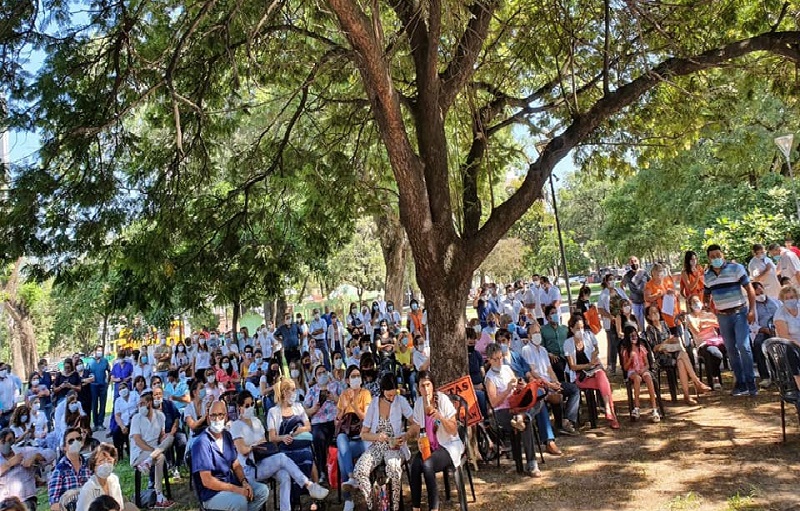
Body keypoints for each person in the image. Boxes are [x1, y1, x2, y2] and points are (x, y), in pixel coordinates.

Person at [229, 391, 328, 511]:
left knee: (285, 475)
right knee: (281, 457)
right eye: (247, 406)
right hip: (249, 468)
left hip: (262, 461)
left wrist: (253, 446)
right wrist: (254, 446)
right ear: (240, 408)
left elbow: (264, 443)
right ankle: (309, 485)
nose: (250, 408)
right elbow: (242, 450)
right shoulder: (236, 426)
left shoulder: (257, 422)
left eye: (252, 404)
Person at [191, 401, 270, 511]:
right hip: (212, 494)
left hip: (231, 483)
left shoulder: (227, 435)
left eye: (220, 415)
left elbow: (236, 464)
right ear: (208, 418)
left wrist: (244, 482)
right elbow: (207, 481)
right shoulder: (201, 443)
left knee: (262, 491)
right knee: (240, 501)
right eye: (213, 415)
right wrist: (235, 489)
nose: (217, 419)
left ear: (226, 416)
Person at [352, 375, 414, 511]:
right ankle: (372, 504)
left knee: (394, 469)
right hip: (377, 445)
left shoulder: (401, 401)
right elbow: (363, 434)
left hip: (394, 445)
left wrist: (406, 435)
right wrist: (377, 436)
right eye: (389, 395)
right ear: (382, 391)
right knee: (359, 471)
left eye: (394, 395)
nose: (392, 398)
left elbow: (415, 424)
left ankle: (395, 506)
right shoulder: (374, 404)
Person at [704, 244, 757, 396]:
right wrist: (707, 305)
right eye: (712, 256)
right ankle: (740, 383)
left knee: (743, 345)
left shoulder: (736, 268)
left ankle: (751, 382)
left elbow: (749, 289)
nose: (716, 258)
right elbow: (706, 293)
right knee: (731, 349)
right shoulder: (707, 275)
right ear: (709, 258)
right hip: (722, 315)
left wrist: (752, 310)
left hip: (740, 312)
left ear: (723, 255)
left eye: (718, 255)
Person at [407, 371, 464, 511]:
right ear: (418, 388)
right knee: (415, 466)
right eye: (422, 386)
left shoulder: (442, 400)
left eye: (428, 385)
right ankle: (416, 508)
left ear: (433, 385)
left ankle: (434, 508)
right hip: (430, 446)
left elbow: (453, 430)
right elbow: (417, 428)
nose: (426, 390)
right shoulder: (419, 403)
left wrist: (440, 417)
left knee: (427, 465)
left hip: (448, 445)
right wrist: (411, 437)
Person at [484, 343, 541, 476]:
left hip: (515, 405)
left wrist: (519, 385)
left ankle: (521, 417)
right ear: (489, 360)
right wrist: (507, 390)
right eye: (495, 359)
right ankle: (532, 463)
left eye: (500, 357)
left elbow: (515, 383)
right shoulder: (489, 378)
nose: (499, 361)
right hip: (502, 412)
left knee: (537, 402)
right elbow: (494, 402)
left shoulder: (507, 369)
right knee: (526, 422)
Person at [520, 323, 579, 435]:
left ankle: (567, 420)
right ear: (529, 336)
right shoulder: (526, 350)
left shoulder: (543, 350)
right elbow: (533, 372)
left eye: (538, 332)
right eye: (534, 333)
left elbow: (550, 369)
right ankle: (557, 425)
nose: (537, 335)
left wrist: (556, 382)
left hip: (549, 382)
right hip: (539, 385)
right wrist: (549, 385)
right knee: (552, 394)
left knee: (574, 389)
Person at [644, 305, 710, 404]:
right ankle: (697, 382)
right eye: (652, 313)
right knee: (683, 355)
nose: (655, 314)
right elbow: (654, 347)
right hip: (662, 356)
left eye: (656, 311)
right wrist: (666, 342)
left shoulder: (664, 324)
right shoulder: (650, 329)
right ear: (648, 317)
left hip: (673, 352)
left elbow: (671, 339)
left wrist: (672, 341)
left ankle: (687, 395)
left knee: (681, 362)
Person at [563, 316, 619, 429]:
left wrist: (594, 358)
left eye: (582, 327)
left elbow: (595, 349)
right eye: (578, 328)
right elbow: (573, 366)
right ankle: (611, 413)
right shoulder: (568, 344)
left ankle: (608, 409)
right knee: (604, 385)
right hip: (580, 376)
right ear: (572, 329)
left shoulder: (588, 337)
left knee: (601, 375)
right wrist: (588, 365)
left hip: (593, 372)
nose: (581, 331)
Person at [266, 378, 315, 502]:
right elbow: (272, 437)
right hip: (285, 446)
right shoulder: (273, 412)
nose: (295, 392)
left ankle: (311, 493)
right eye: (292, 390)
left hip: (301, 443)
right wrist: (283, 437)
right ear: (284, 392)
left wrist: (300, 430)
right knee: (290, 461)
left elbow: (308, 426)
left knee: (308, 456)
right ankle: (294, 497)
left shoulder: (299, 407)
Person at [129, 392, 174, 508]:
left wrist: (163, 437)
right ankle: (159, 495)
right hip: (140, 452)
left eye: (142, 403)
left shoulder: (160, 416)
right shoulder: (136, 418)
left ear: (149, 403)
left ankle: (149, 461)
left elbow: (161, 436)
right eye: (139, 404)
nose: (140, 406)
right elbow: (137, 441)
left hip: (153, 452)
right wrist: (154, 450)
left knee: (170, 437)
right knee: (160, 456)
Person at [336, 366, 372, 511]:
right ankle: (352, 478)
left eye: (358, 376)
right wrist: (344, 408)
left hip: (363, 437)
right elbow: (337, 421)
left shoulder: (365, 393)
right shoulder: (343, 395)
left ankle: (348, 497)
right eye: (353, 376)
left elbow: (366, 417)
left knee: (340, 455)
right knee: (340, 439)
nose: (356, 378)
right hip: (347, 436)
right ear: (347, 380)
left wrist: (353, 405)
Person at [303, 365, 339, 485]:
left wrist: (334, 398)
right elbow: (304, 410)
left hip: (335, 421)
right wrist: (313, 409)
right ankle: (322, 469)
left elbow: (344, 403)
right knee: (318, 437)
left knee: (337, 436)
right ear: (315, 376)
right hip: (319, 422)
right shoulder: (312, 390)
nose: (323, 375)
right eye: (319, 373)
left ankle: (336, 468)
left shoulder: (336, 385)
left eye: (324, 372)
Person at [686, 295, 727, 390]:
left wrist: (704, 324)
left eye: (697, 301)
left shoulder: (709, 314)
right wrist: (709, 324)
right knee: (713, 353)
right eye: (693, 302)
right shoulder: (690, 317)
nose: (696, 304)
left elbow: (718, 324)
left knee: (731, 348)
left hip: (717, 341)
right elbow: (697, 331)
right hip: (703, 344)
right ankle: (714, 378)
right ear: (690, 305)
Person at [620, 327, 660, 422]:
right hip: (632, 371)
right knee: (637, 379)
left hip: (642, 369)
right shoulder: (626, 351)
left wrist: (643, 370)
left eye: (635, 335)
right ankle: (637, 407)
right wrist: (630, 360)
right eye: (631, 336)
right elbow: (625, 368)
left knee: (648, 377)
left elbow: (647, 364)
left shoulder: (641, 348)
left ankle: (654, 408)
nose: (634, 338)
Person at [74, 444, 131, 511]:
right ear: (94, 466)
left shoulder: (114, 479)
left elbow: (120, 506)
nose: (106, 464)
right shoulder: (88, 488)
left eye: (109, 460)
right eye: (101, 461)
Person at [49, 428, 91, 511]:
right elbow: (53, 505)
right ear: (64, 447)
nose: (75, 442)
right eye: (71, 441)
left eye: (78, 439)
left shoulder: (89, 466)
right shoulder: (59, 471)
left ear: (82, 442)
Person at [751, 282, 780, 388]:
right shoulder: (752, 306)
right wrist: (763, 329)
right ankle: (765, 377)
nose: (760, 294)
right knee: (758, 343)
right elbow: (751, 325)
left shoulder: (776, 302)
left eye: (761, 291)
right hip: (763, 331)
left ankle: (780, 374)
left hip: (779, 330)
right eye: (757, 294)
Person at [152, 386, 186, 477]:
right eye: (155, 394)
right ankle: (170, 465)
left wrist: (171, 433)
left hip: (173, 430)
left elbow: (176, 419)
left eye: (159, 394)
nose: (158, 396)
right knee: (164, 442)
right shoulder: (151, 410)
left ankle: (179, 462)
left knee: (182, 440)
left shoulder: (169, 404)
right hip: (160, 434)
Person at [0, 429, 37, 508]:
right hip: (5, 501)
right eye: (6, 441)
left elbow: (50, 454)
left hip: (26, 498)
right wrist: (9, 464)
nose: (9, 444)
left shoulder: (23, 452)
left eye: (11, 440)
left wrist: (36, 457)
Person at [644, 263, 680, 333]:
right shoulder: (649, 284)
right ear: (652, 273)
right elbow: (647, 298)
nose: (659, 275)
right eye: (656, 272)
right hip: (662, 318)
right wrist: (657, 295)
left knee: (679, 336)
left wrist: (673, 292)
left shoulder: (668, 280)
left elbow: (677, 293)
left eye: (660, 271)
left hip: (674, 314)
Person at [540, 305, 568, 382]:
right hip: (554, 357)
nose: (555, 315)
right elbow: (541, 346)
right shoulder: (543, 330)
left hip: (566, 355)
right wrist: (549, 354)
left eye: (556, 313)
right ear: (547, 317)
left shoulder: (564, 329)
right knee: (558, 368)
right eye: (552, 313)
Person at [88, 346, 111, 432]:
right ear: (95, 351)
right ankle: (95, 424)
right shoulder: (90, 362)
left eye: (101, 351)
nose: (99, 352)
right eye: (98, 350)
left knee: (103, 404)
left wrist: (108, 382)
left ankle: (101, 423)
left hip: (103, 385)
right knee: (94, 405)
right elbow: (87, 373)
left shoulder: (105, 361)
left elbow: (109, 371)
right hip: (93, 385)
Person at [111, 382, 137, 460]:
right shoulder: (118, 400)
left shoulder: (135, 395)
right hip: (123, 423)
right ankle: (119, 454)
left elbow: (139, 407)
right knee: (115, 432)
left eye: (123, 388)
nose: (122, 390)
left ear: (128, 388)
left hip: (134, 421)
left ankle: (131, 452)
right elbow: (117, 416)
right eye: (120, 389)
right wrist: (122, 427)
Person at [622, 256, 649, 329]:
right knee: (640, 322)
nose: (634, 263)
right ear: (629, 264)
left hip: (645, 301)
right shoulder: (628, 275)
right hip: (635, 302)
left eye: (635, 261)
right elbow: (622, 285)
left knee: (649, 319)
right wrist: (627, 298)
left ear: (638, 261)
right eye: (631, 262)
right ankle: (643, 335)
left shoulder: (644, 273)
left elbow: (650, 283)